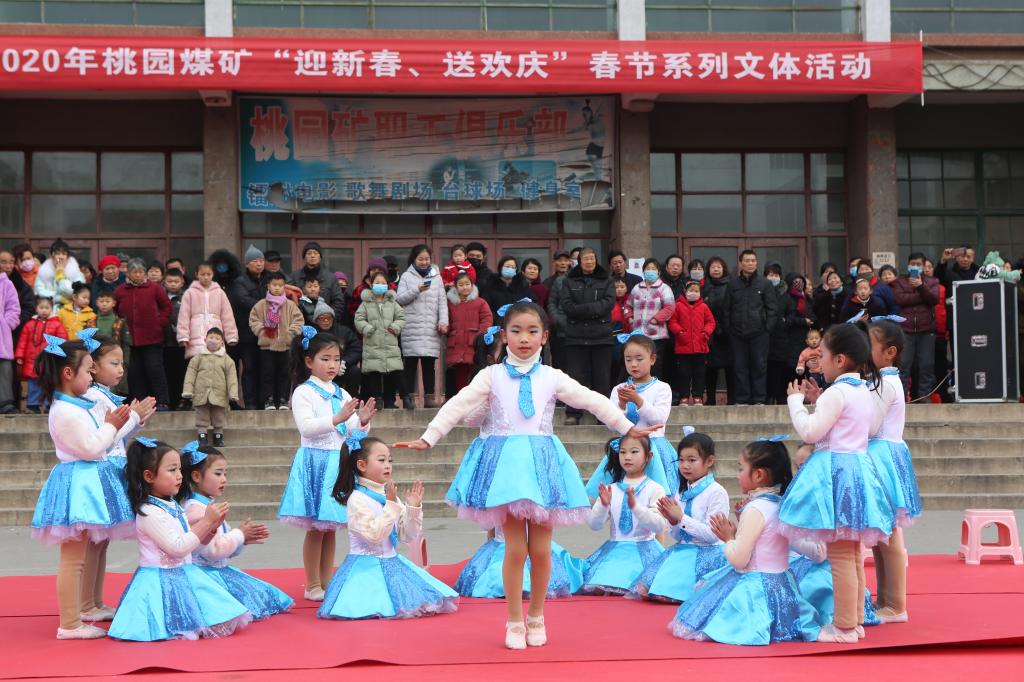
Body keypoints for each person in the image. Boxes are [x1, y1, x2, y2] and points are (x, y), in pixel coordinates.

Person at [394, 300, 660, 649]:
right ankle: (514, 620)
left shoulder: (552, 376)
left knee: (542, 549)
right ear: (504, 335)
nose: (524, 338)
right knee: (515, 548)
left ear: (544, 337)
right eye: (516, 331)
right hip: (506, 468)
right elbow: (458, 404)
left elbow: (592, 400)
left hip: (542, 466)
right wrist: (429, 437)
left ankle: (537, 615)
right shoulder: (491, 375)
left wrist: (627, 427)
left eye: (532, 331)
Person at [781, 324, 895, 643]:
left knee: (842, 555)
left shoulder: (837, 392)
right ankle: (854, 621)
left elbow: (810, 432)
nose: (819, 362)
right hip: (857, 469)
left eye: (823, 355)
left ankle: (844, 626)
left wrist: (796, 402)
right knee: (852, 552)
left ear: (840, 359)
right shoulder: (862, 390)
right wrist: (820, 401)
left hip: (836, 473)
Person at [669, 439, 822, 645]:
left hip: (755, 588)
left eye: (741, 468)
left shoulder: (755, 508)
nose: (737, 474)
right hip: (782, 585)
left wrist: (728, 538)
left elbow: (739, 560)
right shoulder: (780, 504)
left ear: (758, 475)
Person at [29, 337, 133, 639]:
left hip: (86, 482)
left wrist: (113, 424)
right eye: (88, 371)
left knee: (85, 551)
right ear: (67, 373)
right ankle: (70, 623)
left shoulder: (75, 405)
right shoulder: (65, 410)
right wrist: (112, 425)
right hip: (79, 485)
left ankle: (87, 607)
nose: (91, 376)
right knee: (73, 557)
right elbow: (90, 448)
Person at [107, 439, 251, 641]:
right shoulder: (149, 512)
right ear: (149, 476)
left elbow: (191, 545)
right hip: (158, 581)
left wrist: (210, 530)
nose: (179, 476)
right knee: (162, 625)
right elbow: (178, 548)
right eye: (172, 470)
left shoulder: (172, 505)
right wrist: (205, 522)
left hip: (182, 574)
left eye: (179, 470)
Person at [278, 329, 376, 601]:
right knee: (315, 528)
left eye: (336, 359)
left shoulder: (341, 392)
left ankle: (326, 581)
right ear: (309, 361)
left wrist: (362, 420)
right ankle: (312, 585)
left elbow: (352, 431)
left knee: (330, 527)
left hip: (338, 462)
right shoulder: (304, 392)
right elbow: (307, 428)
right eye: (325, 359)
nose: (332, 364)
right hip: (316, 462)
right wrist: (337, 418)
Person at [317, 433, 457, 619]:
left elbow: (406, 536)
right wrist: (391, 506)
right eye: (381, 460)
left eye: (390, 460)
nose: (388, 465)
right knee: (369, 606)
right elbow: (374, 536)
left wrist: (413, 508)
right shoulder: (357, 499)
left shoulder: (389, 497)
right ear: (362, 465)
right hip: (365, 568)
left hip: (393, 563)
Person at [178, 443, 292, 620]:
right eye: (218, 474)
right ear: (196, 476)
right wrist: (239, 535)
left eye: (225, 474)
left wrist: (242, 540)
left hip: (217, 571)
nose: (224, 479)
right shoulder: (196, 511)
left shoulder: (206, 506)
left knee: (263, 595)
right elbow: (212, 552)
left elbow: (224, 549)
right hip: (205, 576)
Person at [629, 430, 729, 603]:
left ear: (709, 461)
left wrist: (681, 518)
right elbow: (678, 536)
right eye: (681, 460)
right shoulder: (681, 492)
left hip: (707, 553)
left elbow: (713, 536)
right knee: (643, 588)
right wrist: (673, 521)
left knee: (672, 593)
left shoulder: (717, 492)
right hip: (682, 550)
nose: (685, 465)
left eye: (692, 460)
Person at [866, 320, 921, 624]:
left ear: (889, 352)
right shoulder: (880, 381)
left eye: (869, 345)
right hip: (882, 453)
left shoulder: (885, 383)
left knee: (888, 533)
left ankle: (897, 604)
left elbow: (871, 425)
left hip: (882, 456)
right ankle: (885, 598)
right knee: (880, 535)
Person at [586, 334, 674, 495]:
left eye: (639, 359)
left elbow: (659, 419)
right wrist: (621, 405)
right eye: (628, 359)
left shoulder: (662, 388)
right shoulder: (618, 389)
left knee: (656, 495)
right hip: (626, 448)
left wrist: (638, 401)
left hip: (654, 447)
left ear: (652, 359)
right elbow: (611, 425)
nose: (633, 364)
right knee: (622, 493)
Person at [580, 435, 668, 594]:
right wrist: (604, 505)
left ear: (648, 456)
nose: (627, 457)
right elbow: (594, 524)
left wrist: (636, 507)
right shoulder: (611, 489)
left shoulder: (655, 488)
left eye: (634, 452)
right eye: (623, 452)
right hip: (614, 551)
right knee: (601, 581)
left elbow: (660, 525)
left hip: (645, 551)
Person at [557, 248, 615, 426]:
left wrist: (583, 310)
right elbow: (566, 305)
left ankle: (602, 414)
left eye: (592, 258)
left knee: (602, 377)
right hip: (576, 336)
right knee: (575, 378)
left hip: (601, 336)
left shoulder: (607, 280)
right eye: (585, 259)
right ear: (579, 261)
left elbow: (608, 303)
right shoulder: (569, 281)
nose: (589, 262)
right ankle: (573, 413)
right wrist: (591, 309)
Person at [84, 333, 154, 471]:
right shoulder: (93, 397)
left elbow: (120, 438)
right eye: (115, 364)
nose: (121, 370)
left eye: (122, 364)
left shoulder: (104, 395)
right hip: (106, 466)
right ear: (93, 366)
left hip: (115, 463)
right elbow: (106, 440)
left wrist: (136, 422)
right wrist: (133, 417)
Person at [115, 259, 171, 409]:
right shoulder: (120, 290)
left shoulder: (155, 288)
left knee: (154, 369)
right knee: (134, 372)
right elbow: (115, 310)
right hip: (129, 340)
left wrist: (160, 323)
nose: (138, 275)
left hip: (152, 337)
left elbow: (166, 306)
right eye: (134, 272)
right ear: (128, 274)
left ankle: (162, 402)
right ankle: (138, 404)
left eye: (141, 272)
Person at [397, 245, 448, 407]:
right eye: (421, 259)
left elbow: (442, 301)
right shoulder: (406, 276)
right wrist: (417, 289)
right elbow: (399, 299)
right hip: (411, 326)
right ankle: (408, 399)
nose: (424, 262)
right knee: (410, 364)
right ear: (414, 259)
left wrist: (443, 321)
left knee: (429, 364)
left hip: (430, 327)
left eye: (427, 259)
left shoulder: (436, 277)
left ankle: (429, 398)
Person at [723, 250, 777, 405]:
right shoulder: (733, 284)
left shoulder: (765, 284)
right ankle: (742, 399)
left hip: (759, 333)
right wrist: (729, 329)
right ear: (741, 263)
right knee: (740, 367)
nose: (750, 263)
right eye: (747, 261)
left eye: (753, 260)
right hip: (737, 333)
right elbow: (726, 309)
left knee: (759, 366)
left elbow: (772, 309)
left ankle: (759, 398)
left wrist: (767, 328)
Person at [249, 272, 303, 410]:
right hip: (267, 346)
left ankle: (283, 399)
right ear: (268, 286)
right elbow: (254, 320)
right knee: (267, 374)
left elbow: (298, 321)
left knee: (284, 374)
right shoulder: (261, 305)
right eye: (274, 285)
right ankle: (269, 400)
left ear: (284, 286)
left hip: (286, 346)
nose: (277, 288)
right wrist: (262, 331)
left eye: (280, 285)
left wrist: (290, 333)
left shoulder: (290, 305)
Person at [891, 253, 940, 400]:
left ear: (924, 266)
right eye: (913, 264)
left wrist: (921, 286)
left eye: (918, 264)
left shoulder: (932, 281)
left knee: (926, 365)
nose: (915, 266)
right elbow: (900, 299)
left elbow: (934, 299)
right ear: (908, 265)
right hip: (906, 330)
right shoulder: (900, 282)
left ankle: (924, 396)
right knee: (903, 365)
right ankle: (901, 398)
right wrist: (921, 297)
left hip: (927, 330)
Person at [356, 272, 407, 409]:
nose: (380, 285)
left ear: (388, 285)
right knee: (375, 372)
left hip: (390, 343)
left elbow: (401, 317)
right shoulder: (365, 304)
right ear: (371, 284)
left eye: (383, 283)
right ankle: (377, 399)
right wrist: (367, 328)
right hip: (372, 344)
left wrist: (395, 327)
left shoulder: (392, 303)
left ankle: (403, 398)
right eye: (377, 283)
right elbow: (358, 319)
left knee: (395, 371)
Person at [180, 328, 238, 447]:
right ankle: (202, 436)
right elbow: (190, 374)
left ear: (222, 342)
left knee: (219, 415)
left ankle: (218, 436)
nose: (213, 340)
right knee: (201, 415)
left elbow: (232, 377)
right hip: (201, 393)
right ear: (205, 339)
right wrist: (188, 390)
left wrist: (233, 393)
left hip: (219, 393)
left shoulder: (227, 360)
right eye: (211, 337)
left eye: (217, 338)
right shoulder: (198, 358)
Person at [226, 246, 265, 409]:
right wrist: (268, 305)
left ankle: (261, 402)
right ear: (247, 264)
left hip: (263, 333)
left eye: (261, 261)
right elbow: (244, 301)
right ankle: (249, 403)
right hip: (245, 333)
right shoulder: (240, 282)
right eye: (255, 261)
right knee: (248, 368)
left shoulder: (266, 280)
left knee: (260, 369)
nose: (259, 264)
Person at [626, 258, 676, 383]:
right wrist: (630, 318)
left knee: (655, 367)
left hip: (657, 336)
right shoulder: (637, 288)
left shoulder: (664, 288)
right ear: (643, 272)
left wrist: (656, 319)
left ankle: (656, 391)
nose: (650, 271)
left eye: (653, 269)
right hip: (638, 335)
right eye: (648, 268)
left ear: (658, 272)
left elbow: (670, 308)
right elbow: (627, 306)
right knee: (638, 366)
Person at [176, 261, 238, 361]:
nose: (206, 277)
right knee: (197, 366)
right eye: (202, 274)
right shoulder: (189, 293)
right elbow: (184, 316)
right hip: (195, 338)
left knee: (216, 366)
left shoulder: (220, 293)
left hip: (216, 336)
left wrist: (231, 336)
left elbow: (227, 316)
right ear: (196, 274)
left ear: (213, 274)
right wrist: (183, 336)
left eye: (208, 274)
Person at [668, 280, 715, 407]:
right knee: (683, 373)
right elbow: (672, 322)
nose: (693, 293)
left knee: (699, 374)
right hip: (683, 348)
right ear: (685, 291)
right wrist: (680, 332)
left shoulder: (704, 307)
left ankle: (697, 397)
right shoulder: (678, 306)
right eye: (691, 290)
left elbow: (711, 322)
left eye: (696, 291)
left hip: (700, 347)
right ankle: (684, 397)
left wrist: (705, 333)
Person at [445, 272, 492, 396]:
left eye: (467, 284)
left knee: (475, 371)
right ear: (455, 287)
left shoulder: (480, 302)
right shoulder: (450, 303)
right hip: (457, 343)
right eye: (461, 285)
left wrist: (480, 335)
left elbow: (487, 319)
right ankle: (461, 398)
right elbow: (446, 320)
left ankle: (473, 398)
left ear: (472, 285)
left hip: (474, 343)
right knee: (460, 373)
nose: (464, 287)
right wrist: (445, 328)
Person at [15, 297, 66, 412]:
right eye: (41, 307)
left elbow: (62, 341)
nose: (44, 310)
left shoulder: (57, 325)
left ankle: (49, 404)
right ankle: (33, 404)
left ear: (51, 309)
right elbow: (23, 342)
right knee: (33, 383)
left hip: (50, 360)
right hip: (32, 360)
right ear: (36, 309)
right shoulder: (29, 324)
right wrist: (20, 356)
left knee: (49, 382)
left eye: (47, 308)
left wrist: (60, 356)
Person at [311, 301, 362, 398]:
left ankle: (351, 400)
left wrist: (344, 362)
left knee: (354, 371)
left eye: (328, 318)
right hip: (319, 367)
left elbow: (356, 349)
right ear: (316, 320)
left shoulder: (344, 331)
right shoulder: (312, 333)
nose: (326, 321)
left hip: (342, 367)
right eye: (322, 318)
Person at [703, 256, 734, 406]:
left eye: (719, 267)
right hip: (709, 334)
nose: (716, 269)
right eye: (713, 267)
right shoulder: (704, 287)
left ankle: (732, 399)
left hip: (728, 333)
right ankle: (710, 399)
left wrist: (726, 327)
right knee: (710, 368)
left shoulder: (731, 285)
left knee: (730, 367)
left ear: (724, 269)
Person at [290, 241, 345, 321]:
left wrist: (328, 319)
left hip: (325, 322)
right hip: (300, 323)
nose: (312, 256)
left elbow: (338, 302)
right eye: (309, 253)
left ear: (320, 257)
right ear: (304, 257)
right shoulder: (294, 277)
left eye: (315, 253)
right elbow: (289, 302)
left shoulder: (330, 278)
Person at [765, 263, 795, 405]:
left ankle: (776, 396)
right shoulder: (761, 291)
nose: (773, 278)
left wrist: (785, 322)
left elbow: (791, 313)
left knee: (778, 370)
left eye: (776, 275)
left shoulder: (785, 295)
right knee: (764, 369)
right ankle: (766, 397)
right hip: (764, 336)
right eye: (770, 275)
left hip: (780, 338)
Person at [924, 258, 952, 403]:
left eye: (929, 266)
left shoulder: (941, 288)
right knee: (925, 366)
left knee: (941, 366)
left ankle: (944, 395)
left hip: (940, 333)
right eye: (924, 266)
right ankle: (925, 394)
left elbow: (946, 310)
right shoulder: (915, 288)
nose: (926, 269)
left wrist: (946, 330)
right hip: (923, 333)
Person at [92, 292, 131, 395]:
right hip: (97, 359)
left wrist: (125, 361)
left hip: (115, 359)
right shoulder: (91, 322)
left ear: (114, 303)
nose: (104, 304)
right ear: (96, 302)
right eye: (101, 301)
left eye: (107, 301)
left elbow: (126, 344)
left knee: (115, 387)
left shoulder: (120, 322)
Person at [162, 268, 187, 411]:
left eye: (176, 281)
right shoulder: (161, 296)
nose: (172, 284)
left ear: (182, 282)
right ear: (164, 282)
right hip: (164, 342)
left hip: (182, 343)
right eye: (169, 281)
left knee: (181, 374)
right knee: (167, 373)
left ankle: (182, 402)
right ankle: (169, 402)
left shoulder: (186, 296)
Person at [35, 239, 84, 308]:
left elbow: (76, 292)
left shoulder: (76, 273)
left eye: (64, 254)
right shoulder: (43, 272)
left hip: (71, 310)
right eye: (57, 254)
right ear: (51, 256)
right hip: (49, 311)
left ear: (68, 257)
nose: (61, 257)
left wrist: (60, 277)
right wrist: (58, 298)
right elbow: (39, 291)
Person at [0, 268, 21, 414]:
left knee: (4, 368)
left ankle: (5, 402)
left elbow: (13, 308)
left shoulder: (6, 283)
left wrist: (6, 324)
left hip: (1, 334)